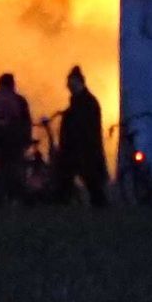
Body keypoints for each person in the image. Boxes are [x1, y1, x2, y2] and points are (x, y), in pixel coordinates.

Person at [53, 67, 108, 207]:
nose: (68, 86)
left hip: (82, 148)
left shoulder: (86, 102)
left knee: (88, 181)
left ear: (78, 82)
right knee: (74, 180)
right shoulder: (84, 101)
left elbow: (82, 126)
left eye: (70, 83)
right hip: (78, 148)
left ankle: (62, 205)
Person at [0, 72, 34, 203]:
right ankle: (18, 197)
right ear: (12, 84)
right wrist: (27, 140)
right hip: (16, 143)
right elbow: (26, 123)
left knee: (2, 170)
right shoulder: (19, 100)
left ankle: (0, 198)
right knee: (15, 171)